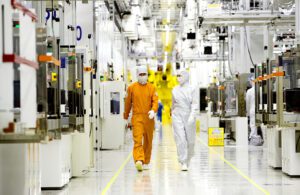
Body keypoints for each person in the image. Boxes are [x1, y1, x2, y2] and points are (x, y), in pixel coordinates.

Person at [124, 66, 158, 172]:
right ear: (137, 75)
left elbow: (155, 101)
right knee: (137, 140)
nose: (143, 77)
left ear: (147, 75)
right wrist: (126, 116)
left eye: (144, 74)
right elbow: (128, 103)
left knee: (148, 140)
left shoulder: (152, 88)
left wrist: (153, 110)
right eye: (141, 75)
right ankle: (139, 160)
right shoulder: (131, 88)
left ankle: (146, 161)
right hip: (137, 117)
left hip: (149, 117)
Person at [172, 70, 199, 171]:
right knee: (180, 138)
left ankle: (188, 158)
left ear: (186, 76)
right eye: (177, 75)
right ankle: (183, 161)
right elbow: (173, 103)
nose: (178, 77)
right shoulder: (174, 89)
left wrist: (192, 115)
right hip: (177, 114)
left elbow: (195, 103)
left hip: (188, 114)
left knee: (190, 141)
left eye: (180, 75)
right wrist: (172, 113)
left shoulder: (192, 89)